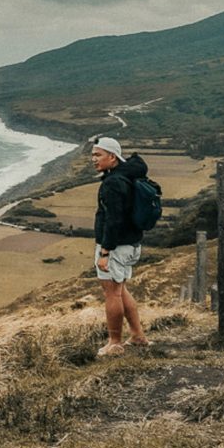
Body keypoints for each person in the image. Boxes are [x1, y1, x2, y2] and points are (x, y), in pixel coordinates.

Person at [88, 135, 149, 356]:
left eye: (98, 155)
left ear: (112, 157)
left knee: (112, 293)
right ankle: (138, 335)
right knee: (120, 290)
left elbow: (114, 219)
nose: (93, 159)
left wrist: (104, 251)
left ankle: (115, 343)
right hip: (131, 243)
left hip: (115, 246)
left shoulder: (113, 183)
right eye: (93, 154)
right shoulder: (128, 175)